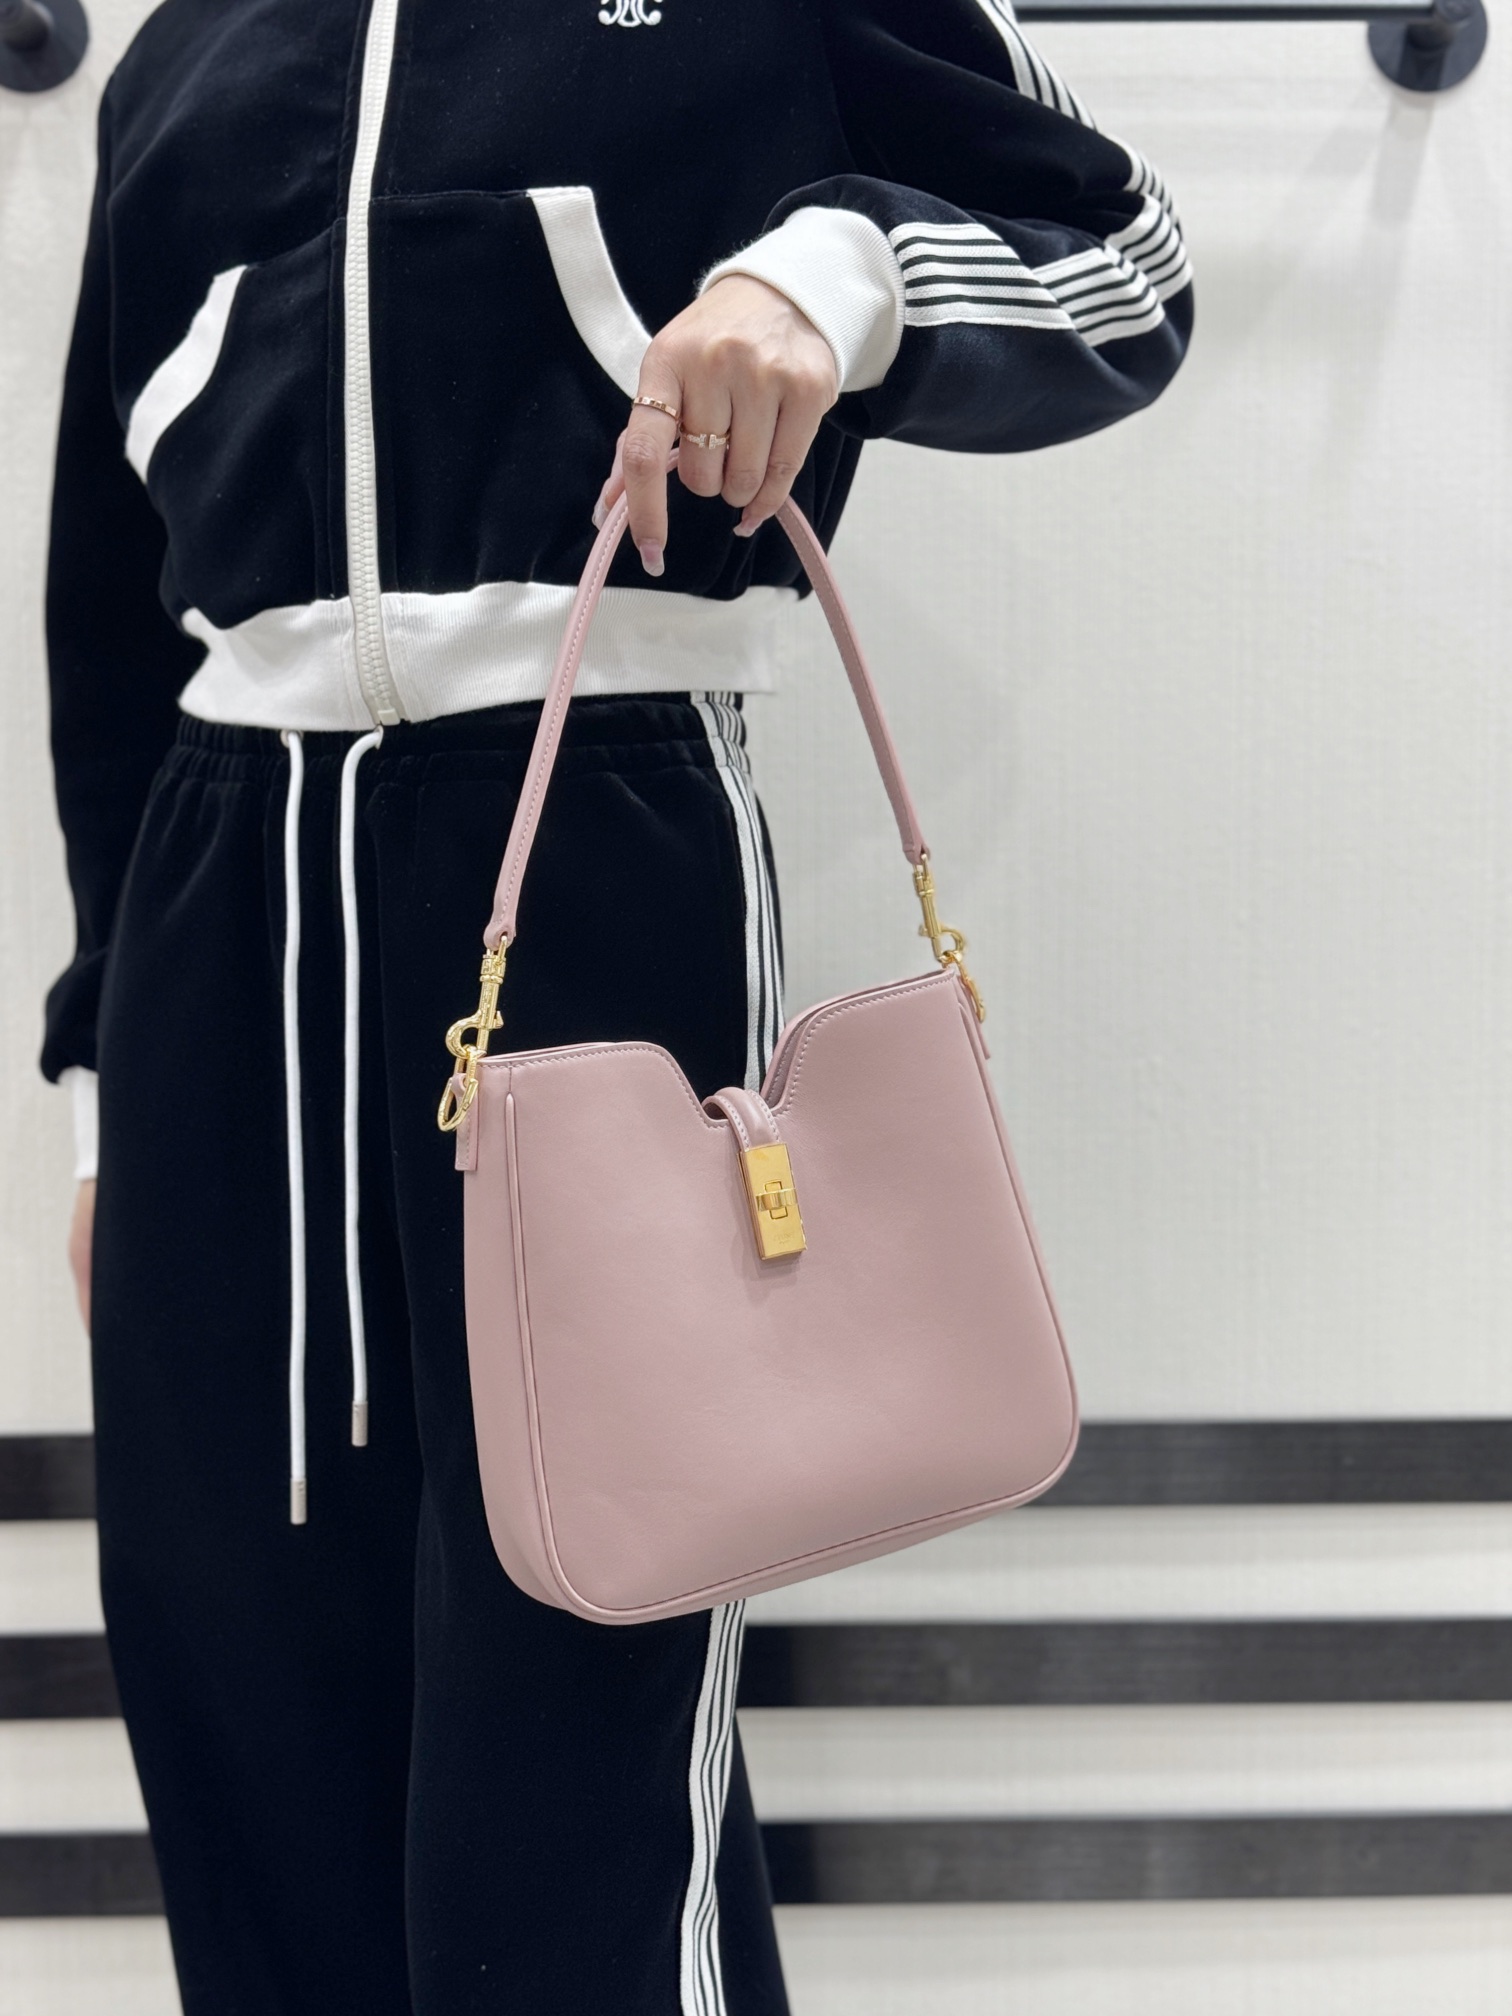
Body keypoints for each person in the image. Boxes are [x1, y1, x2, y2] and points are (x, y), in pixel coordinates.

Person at [41, 0, 1191, 2009]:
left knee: (575, 1720)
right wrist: (99, 1092)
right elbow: (105, 603)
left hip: (588, 829)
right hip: (215, 900)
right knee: (243, 1703)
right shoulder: (181, 54)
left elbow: (1123, 257)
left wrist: (824, 274)